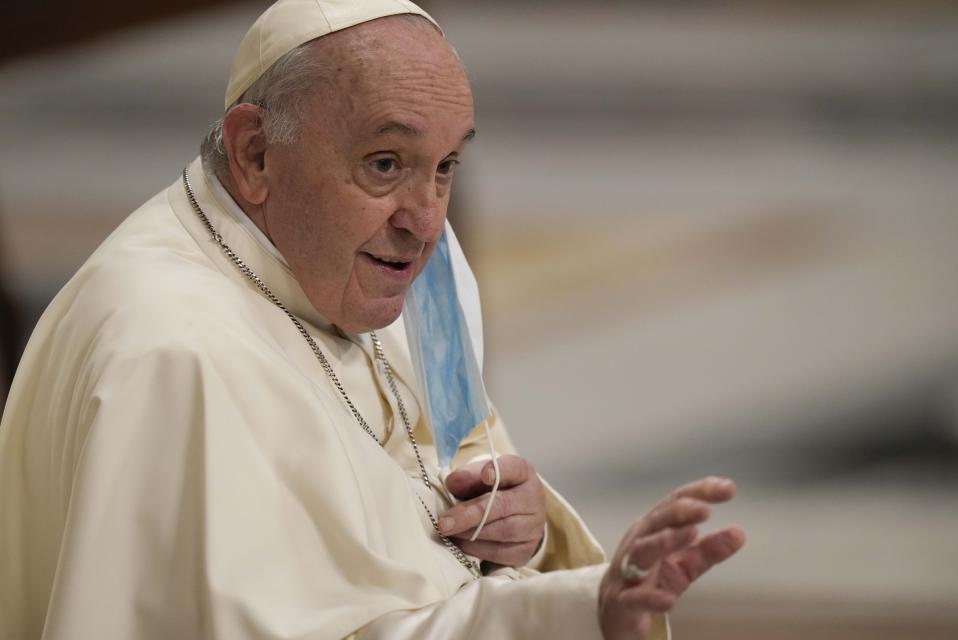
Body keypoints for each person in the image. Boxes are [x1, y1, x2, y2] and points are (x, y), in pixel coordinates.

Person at [0, 1, 744, 638]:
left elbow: (465, 478)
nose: (424, 223)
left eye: (447, 166)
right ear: (255, 152)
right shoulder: (170, 357)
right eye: (385, 164)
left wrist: (521, 526)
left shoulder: (417, 274)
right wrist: (579, 611)